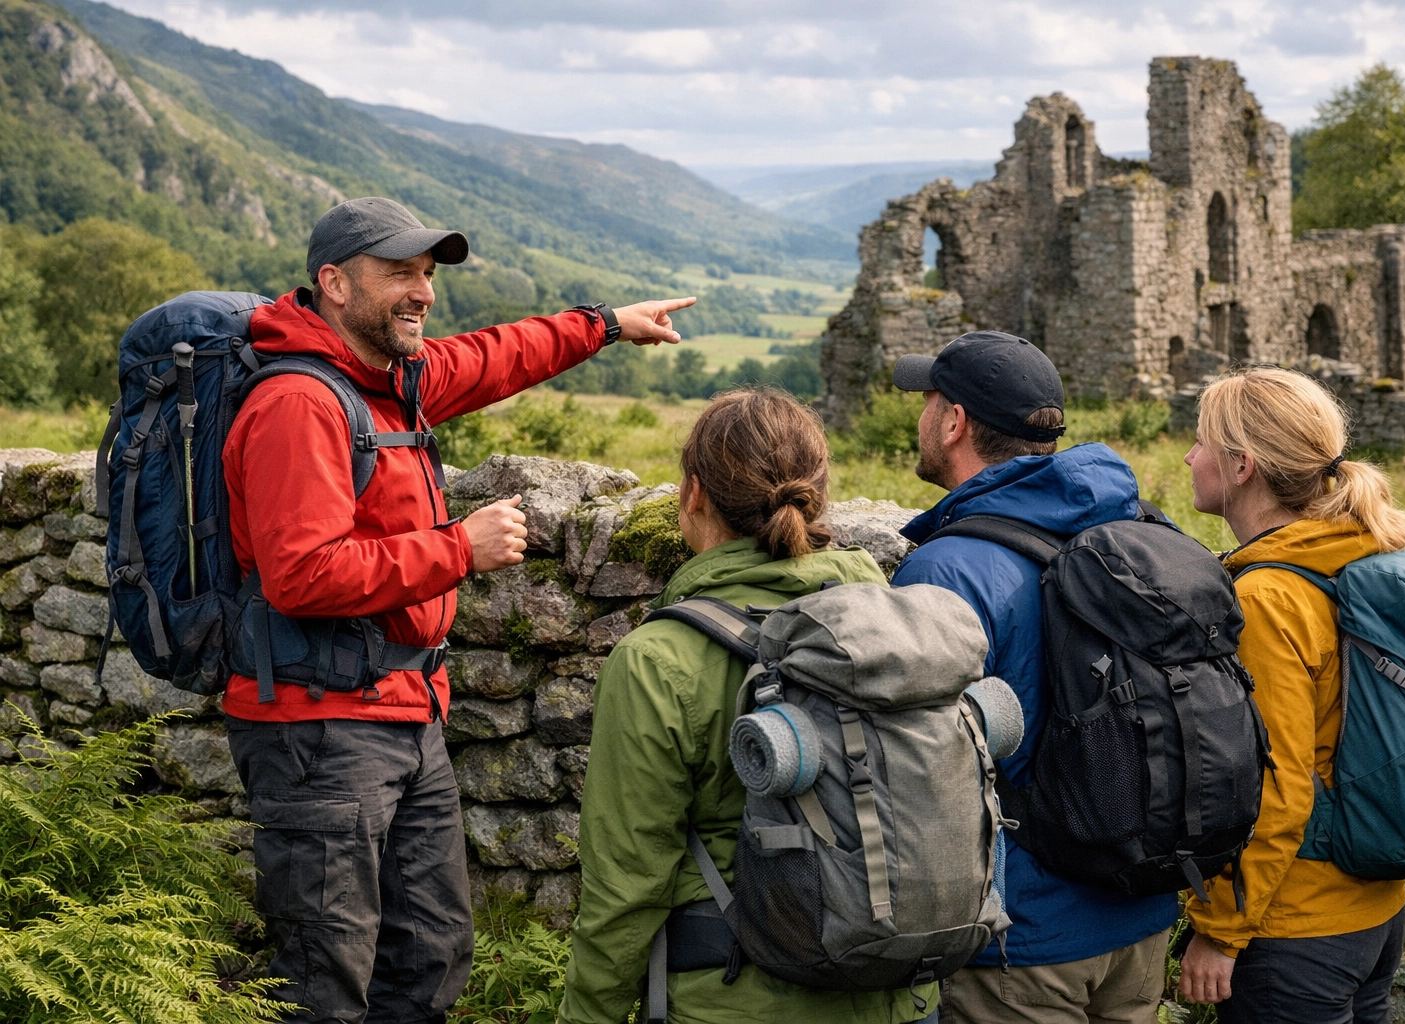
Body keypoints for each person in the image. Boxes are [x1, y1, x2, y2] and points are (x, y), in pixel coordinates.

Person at [222, 195, 693, 1024]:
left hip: (405, 716)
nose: (424, 292)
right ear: (333, 283)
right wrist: (456, 549)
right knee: (323, 979)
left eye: (429, 274)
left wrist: (608, 324)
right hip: (321, 728)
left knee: (431, 958)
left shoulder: (389, 382)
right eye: (400, 272)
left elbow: (495, 356)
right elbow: (300, 573)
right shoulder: (299, 404)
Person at [560, 388, 939, 1024]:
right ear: (819, 496)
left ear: (695, 495)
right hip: (898, 995)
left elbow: (626, 886)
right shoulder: (895, 625)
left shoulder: (658, 660)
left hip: (732, 999)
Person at [888, 332, 1178, 1024]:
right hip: (1140, 920)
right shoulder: (1136, 527)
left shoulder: (947, 569)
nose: (922, 418)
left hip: (1021, 944)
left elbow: (917, 770)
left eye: (929, 402)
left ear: (953, 422)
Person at [1176, 366, 1405, 1023]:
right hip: (1376, 906)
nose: (1190, 457)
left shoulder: (1267, 597)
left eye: (1200, 442)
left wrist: (1221, 932)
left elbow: (1277, 786)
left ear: (1242, 466)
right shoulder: (1359, 554)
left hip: (1298, 927)